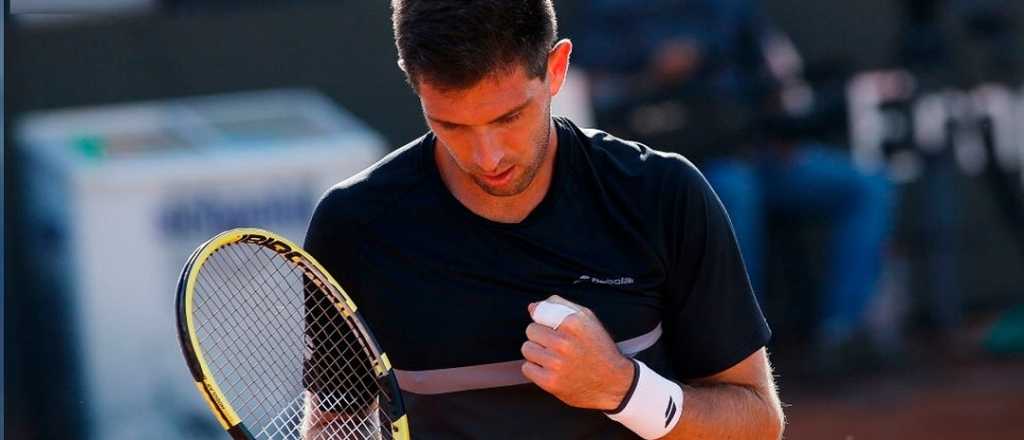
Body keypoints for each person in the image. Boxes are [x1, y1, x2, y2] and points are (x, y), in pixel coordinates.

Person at [302, 1, 784, 438]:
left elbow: (757, 421)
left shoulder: (664, 194)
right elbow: (334, 424)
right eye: (451, 125)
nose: (488, 157)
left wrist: (625, 389)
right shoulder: (354, 227)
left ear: (557, 68)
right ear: (413, 82)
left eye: (509, 118)